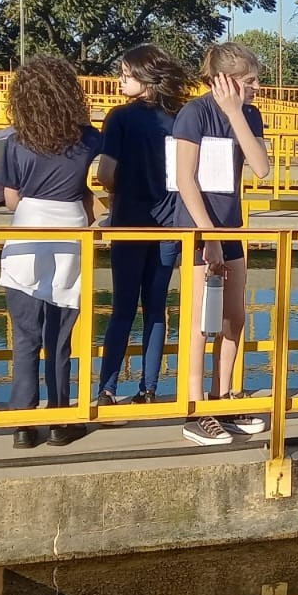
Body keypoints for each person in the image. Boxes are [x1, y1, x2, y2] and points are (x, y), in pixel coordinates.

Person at [0, 55, 101, 449]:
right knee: (60, 336)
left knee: (26, 336)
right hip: (70, 232)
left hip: (27, 230)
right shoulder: (87, 138)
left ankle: (23, 424)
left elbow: (10, 199)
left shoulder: (15, 142)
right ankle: (59, 420)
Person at [172, 42, 272, 447]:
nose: (256, 88)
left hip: (231, 225)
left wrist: (235, 113)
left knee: (234, 317)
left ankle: (224, 394)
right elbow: (185, 179)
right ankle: (195, 407)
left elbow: (262, 168)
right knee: (202, 320)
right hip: (199, 227)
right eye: (250, 81)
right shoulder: (194, 113)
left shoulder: (248, 114)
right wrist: (208, 236)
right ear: (225, 80)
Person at [96, 44, 190, 407]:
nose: (120, 81)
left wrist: (121, 191)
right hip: (170, 224)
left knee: (122, 308)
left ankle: (107, 389)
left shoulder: (119, 117)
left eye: (125, 75)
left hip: (130, 223)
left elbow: (106, 173)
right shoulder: (181, 117)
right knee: (156, 308)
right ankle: (149, 388)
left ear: (145, 77)